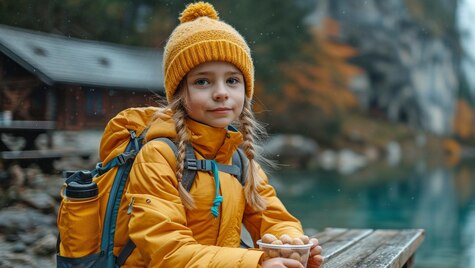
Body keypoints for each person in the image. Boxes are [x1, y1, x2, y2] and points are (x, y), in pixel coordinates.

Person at [113, 2, 323, 267]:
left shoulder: (239, 159)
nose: (221, 92)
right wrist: (257, 263)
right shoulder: (158, 156)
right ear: (179, 93)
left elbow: (274, 218)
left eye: (232, 80)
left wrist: (290, 244)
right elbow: (167, 253)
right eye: (203, 81)